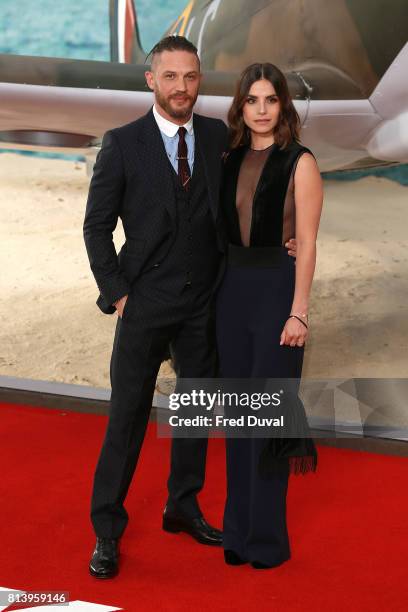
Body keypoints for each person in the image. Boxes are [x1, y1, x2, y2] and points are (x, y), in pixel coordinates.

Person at [216, 63, 322, 569]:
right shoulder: (229, 157)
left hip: (276, 293)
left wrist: (299, 312)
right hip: (230, 294)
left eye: (270, 100)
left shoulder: (301, 162)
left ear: (283, 105)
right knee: (237, 418)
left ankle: (266, 541)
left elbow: (309, 243)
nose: (261, 110)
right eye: (252, 100)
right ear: (241, 106)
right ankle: (235, 534)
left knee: (268, 415)